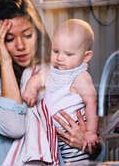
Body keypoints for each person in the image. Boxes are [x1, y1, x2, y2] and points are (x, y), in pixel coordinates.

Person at [0, 0, 102, 165]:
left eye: (28, 35)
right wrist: (5, 62)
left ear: (37, 34)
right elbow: (14, 127)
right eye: (9, 39)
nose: (21, 46)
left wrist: (88, 144)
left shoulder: (57, 74)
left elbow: (97, 150)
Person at [22, 19, 99, 164]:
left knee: (77, 162)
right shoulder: (53, 71)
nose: (59, 58)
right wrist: (30, 89)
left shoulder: (80, 77)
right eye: (55, 51)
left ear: (86, 57)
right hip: (55, 135)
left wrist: (90, 132)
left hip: (74, 134)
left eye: (68, 54)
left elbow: (91, 103)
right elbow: (37, 79)